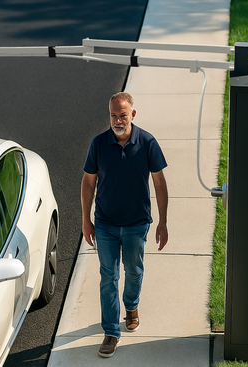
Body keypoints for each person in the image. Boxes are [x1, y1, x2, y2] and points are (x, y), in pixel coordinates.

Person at [81, 92, 169, 358]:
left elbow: (160, 183)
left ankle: (131, 305)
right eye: (113, 115)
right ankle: (111, 331)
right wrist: (86, 220)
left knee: (133, 271)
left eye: (122, 115)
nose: (117, 120)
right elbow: (88, 182)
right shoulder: (98, 144)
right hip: (105, 223)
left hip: (136, 224)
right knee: (108, 276)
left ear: (132, 114)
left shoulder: (148, 143)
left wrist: (163, 222)